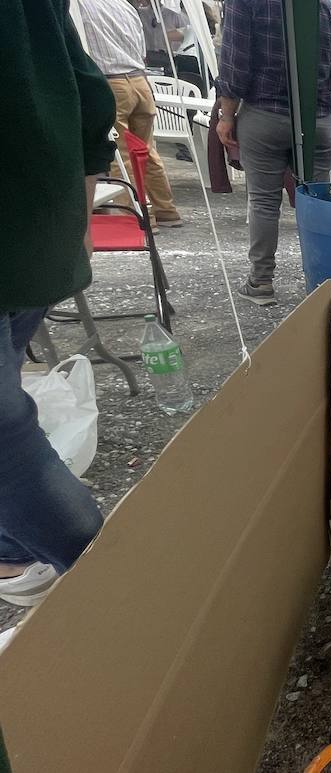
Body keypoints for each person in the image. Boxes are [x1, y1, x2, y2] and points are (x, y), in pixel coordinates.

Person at [0, 0, 113, 620]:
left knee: (5, 434)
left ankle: (113, 568)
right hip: (40, 228)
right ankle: (14, 552)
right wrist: (78, 207)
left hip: (22, 231)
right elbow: (91, 92)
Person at [216, 0, 331, 305]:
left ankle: (261, 282)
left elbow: (235, 65)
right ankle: (325, 281)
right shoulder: (328, 8)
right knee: (318, 201)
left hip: (263, 114)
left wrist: (226, 115)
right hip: (318, 119)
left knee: (264, 200)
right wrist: (315, 76)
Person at [77, 0, 184, 230]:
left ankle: (135, 216)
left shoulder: (81, 6)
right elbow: (142, 49)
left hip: (112, 82)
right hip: (139, 80)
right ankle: (166, 210)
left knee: (121, 154)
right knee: (147, 150)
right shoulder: (123, 5)